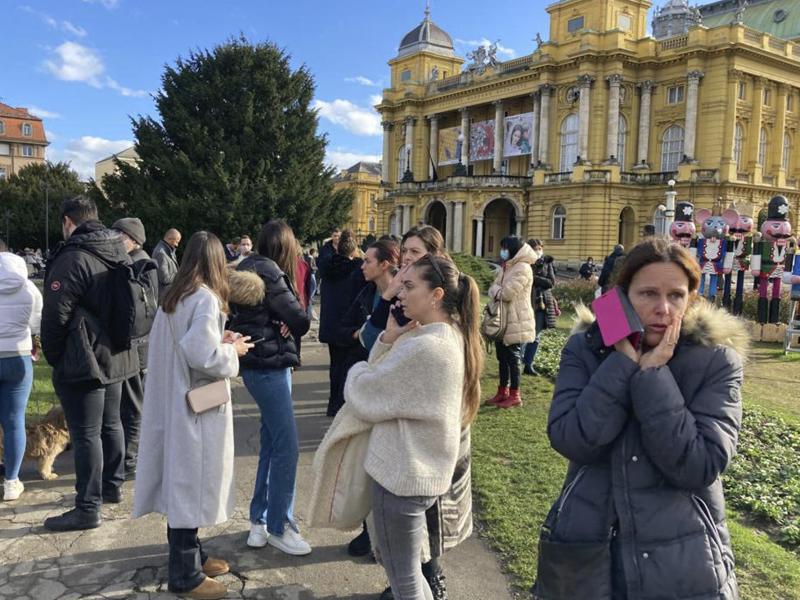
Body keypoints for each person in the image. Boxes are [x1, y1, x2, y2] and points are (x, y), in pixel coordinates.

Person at [537, 238, 744, 599]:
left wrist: (652, 377)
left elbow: (699, 464)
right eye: (647, 293)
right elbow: (571, 438)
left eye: (676, 295)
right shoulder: (586, 349)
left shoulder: (716, 362)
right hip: (588, 552)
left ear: (691, 300)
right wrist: (621, 362)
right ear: (622, 295)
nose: (663, 308)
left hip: (683, 561)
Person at [344, 255, 484, 600]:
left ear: (436, 294)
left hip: (403, 476)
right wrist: (390, 338)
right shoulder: (443, 335)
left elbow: (365, 391)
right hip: (416, 472)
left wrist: (358, 368)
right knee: (406, 572)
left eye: (409, 286)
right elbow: (384, 376)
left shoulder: (427, 346)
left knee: (403, 576)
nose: (399, 294)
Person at [133, 231, 253, 600]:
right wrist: (233, 351)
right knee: (190, 483)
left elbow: (187, 345)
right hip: (195, 408)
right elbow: (203, 356)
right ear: (218, 262)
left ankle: (192, 558)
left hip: (173, 400)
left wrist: (221, 341)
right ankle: (184, 575)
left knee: (182, 482)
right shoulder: (205, 298)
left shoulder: (176, 295)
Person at [41, 196, 139, 531]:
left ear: (68, 221)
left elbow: (55, 315)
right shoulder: (117, 249)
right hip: (117, 353)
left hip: (84, 357)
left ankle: (87, 506)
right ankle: (111, 487)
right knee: (112, 424)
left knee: (85, 434)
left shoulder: (74, 257)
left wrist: (56, 357)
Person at [228, 220, 312, 555]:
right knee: (287, 448)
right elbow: (301, 321)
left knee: (271, 444)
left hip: (258, 364)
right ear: (286, 246)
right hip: (270, 366)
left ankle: (259, 522)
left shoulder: (247, 266)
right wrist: (284, 324)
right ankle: (280, 525)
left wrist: (279, 323)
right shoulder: (272, 272)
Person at [111, 218, 159, 479]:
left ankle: (129, 460)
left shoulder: (138, 263)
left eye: (119, 234)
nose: (115, 238)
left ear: (132, 239)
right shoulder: (142, 261)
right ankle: (129, 458)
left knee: (132, 406)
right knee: (132, 405)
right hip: (140, 346)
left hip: (137, 347)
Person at [0, 238, 42, 501]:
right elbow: (37, 323)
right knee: (14, 421)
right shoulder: (29, 288)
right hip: (18, 355)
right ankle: (12, 481)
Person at [318, 229, 365, 417]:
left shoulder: (326, 266)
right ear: (354, 249)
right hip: (349, 325)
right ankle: (342, 404)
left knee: (335, 365)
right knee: (348, 367)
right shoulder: (358, 269)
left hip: (331, 323)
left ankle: (332, 404)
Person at [485, 236, 536, 409]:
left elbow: (506, 293)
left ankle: (515, 394)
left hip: (516, 318)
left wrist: (495, 290)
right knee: (502, 357)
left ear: (513, 249)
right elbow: (494, 287)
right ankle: (502, 391)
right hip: (502, 318)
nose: (503, 251)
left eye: (505, 247)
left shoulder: (523, 268)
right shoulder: (508, 266)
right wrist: (496, 290)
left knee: (513, 358)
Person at [523, 254, 557, 376]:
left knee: (535, 335)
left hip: (541, 303)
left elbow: (551, 282)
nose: (538, 251)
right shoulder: (525, 261)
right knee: (523, 334)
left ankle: (528, 364)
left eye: (539, 248)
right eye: (535, 249)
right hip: (526, 301)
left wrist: (534, 278)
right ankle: (518, 363)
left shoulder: (547, 263)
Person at [153, 228, 181, 302]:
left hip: (168, 296)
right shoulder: (161, 253)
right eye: (177, 241)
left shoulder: (168, 250)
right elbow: (164, 278)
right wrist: (181, 274)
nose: (177, 245)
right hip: (164, 298)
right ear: (170, 238)